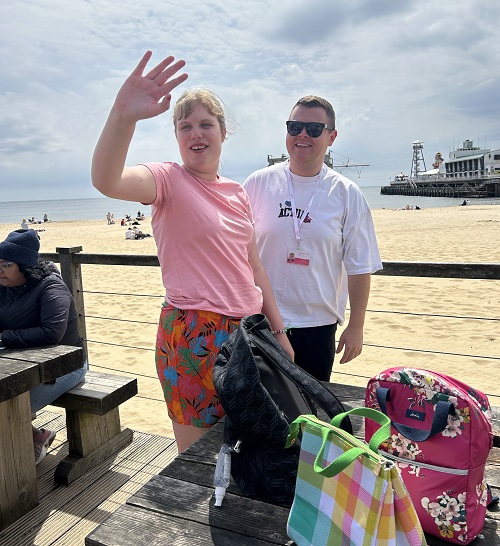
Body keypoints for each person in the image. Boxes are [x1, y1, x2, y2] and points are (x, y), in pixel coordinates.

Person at [91, 51, 293, 453]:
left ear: (223, 131)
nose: (196, 133)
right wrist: (123, 114)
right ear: (177, 137)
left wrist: (279, 331)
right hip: (192, 333)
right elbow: (107, 180)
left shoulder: (237, 192)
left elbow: (253, 266)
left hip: (248, 333)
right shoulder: (168, 179)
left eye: (206, 124)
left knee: (250, 447)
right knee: (198, 456)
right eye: (185, 126)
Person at [244, 95, 382, 381]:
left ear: (331, 136)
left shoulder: (346, 193)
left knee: (311, 416)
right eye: (294, 127)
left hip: (318, 325)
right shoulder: (258, 183)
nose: (302, 135)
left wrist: (356, 324)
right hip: (262, 321)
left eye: (314, 129)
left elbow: (359, 265)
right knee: (259, 414)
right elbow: (233, 248)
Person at [0, 229, 88, 464]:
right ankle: (39, 435)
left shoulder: (51, 287)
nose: (0, 269)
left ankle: (25, 456)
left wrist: (5, 337)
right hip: (23, 361)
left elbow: (52, 333)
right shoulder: (4, 287)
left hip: (65, 367)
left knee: (5, 406)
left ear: (24, 266)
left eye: (6, 264)